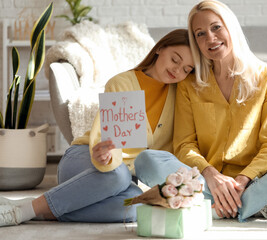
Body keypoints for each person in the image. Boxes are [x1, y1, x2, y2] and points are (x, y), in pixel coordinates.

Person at [134, 0, 267, 222]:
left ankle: (214, 207)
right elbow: (184, 144)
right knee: (147, 161)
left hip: (254, 180)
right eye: (200, 34)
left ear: (230, 26)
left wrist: (243, 180)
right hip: (206, 179)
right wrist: (212, 175)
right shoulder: (189, 83)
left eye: (216, 27)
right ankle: (258, 205)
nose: (210, 38)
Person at [0, 29, 194, 226]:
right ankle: (22, 212)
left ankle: (42, 208)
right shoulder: (122, 83)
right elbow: (109, 139)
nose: (178, 71)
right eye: (175, 59)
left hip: (118, 182)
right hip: (85, 161)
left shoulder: (180, 95)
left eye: (187, 69)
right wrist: (106, 157)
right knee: (117, 174)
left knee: (134, 204)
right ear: (160, 48)